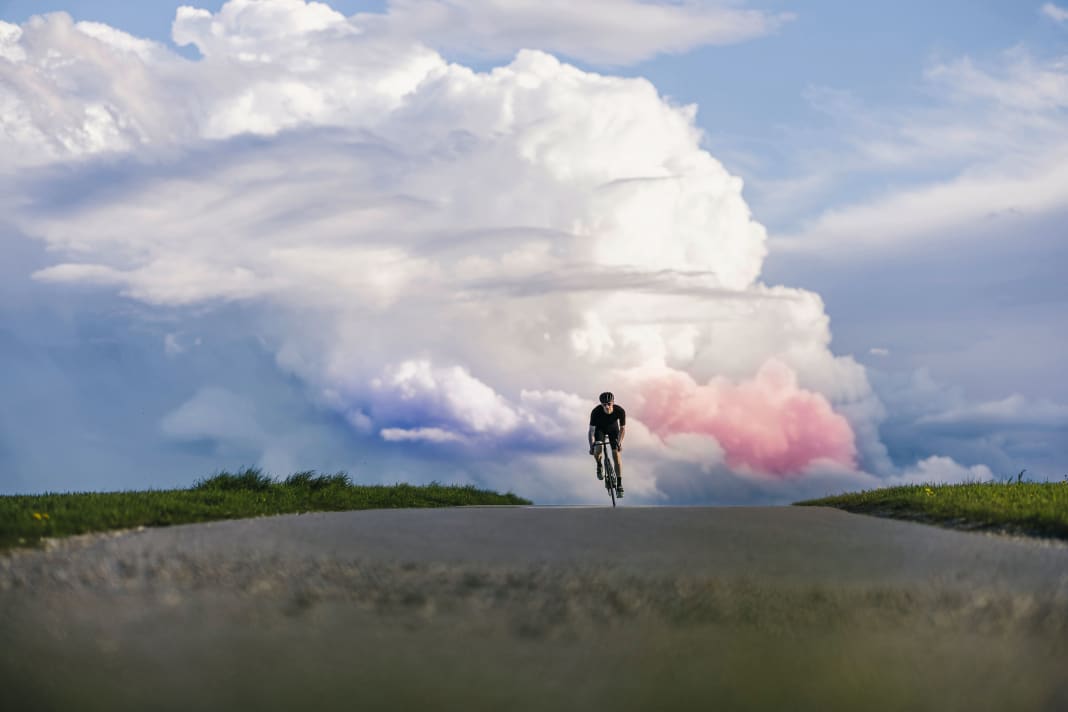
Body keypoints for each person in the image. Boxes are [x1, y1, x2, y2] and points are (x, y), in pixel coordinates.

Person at [588, 391, 625, 497]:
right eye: (604, 404)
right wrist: (591, 445)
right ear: (601, 404)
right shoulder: (596, 412)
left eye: (609, 404)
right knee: (597, 448)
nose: (607, 406)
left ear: (613, 402)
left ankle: (619, 484)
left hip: (613, 430)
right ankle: (599, 465)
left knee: (616, 455)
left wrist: (619, 442)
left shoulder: (619, 411)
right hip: (600, 430)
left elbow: (622, 429)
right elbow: (591, 431)